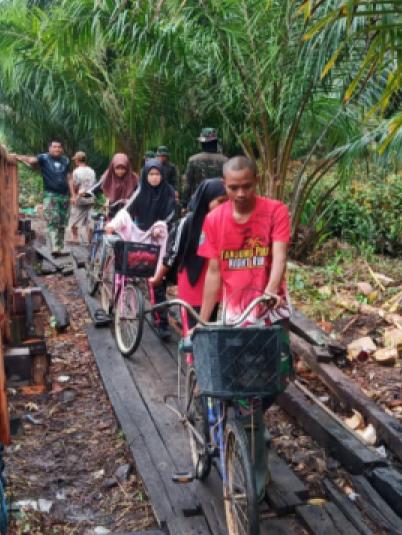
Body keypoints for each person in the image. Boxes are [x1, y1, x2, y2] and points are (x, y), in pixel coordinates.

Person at [197, 155, 292, 500]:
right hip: (233, 316)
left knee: (272, 383)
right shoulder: (213, 220)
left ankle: (253, 429)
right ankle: (253, 469)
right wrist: (202, 321)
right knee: (239, 391)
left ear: (257, 181)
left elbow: (278, 255)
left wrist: (270, 291)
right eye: (233, 187)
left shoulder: (275, 211)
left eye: (247, 186)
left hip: (267, 314)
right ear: (225, 185)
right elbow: (213, 273)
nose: (240, 193)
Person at [107, 160, 178, 339]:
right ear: (146, 175)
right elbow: (126, 212)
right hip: (142, 240)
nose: (154, 178)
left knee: (157, 284)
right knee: (129, 272)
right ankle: (120, 306)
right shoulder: (141, 192)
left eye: (157, 174)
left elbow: (172, 215)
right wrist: (114, 225)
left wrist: (160, 226)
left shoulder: (168, 193)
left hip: (159, 242)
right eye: (151, 174)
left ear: (162, 175)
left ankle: (161, 323)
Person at [152, 178, 228, 333]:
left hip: (215, 284)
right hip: (192, 283)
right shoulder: (188, 222)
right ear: (207, 198)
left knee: (209, 327)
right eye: (221, 201)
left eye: (228, 202)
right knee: (192, 328)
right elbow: (172, 252)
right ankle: (191, 357)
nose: (226, 206)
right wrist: (159, 277)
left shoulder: (226, 223)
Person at [14, 139, 72, 255]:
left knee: (62, 222)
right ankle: (55, 247)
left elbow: (69, 178)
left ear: (62, 149)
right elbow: (31, 160)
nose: (57, 149)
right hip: (51, 194)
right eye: (54, 147)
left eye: (59, 147)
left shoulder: (65, 160)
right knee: (52, 219)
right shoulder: (44, 158)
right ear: (49, 148)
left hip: (65, 195)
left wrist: (73, 195)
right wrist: (18, 156)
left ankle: (60, 247)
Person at [181, 127, 228, 203]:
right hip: (219, 201)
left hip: (198, 201)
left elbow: (187, 184)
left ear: (202, 143)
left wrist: (184, 203)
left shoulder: (193, 160)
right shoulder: (225, 160)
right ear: (216, 142)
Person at [67, 151, 97, 246]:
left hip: (80, 198)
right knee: (90, 219)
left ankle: (75, 238)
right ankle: (88, 240)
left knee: (74, 217)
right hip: (91, 197)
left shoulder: (76, 172)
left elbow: (75, 186)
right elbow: (94, 184)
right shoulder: (92, 171)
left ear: (77, 160)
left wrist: (74, 196)